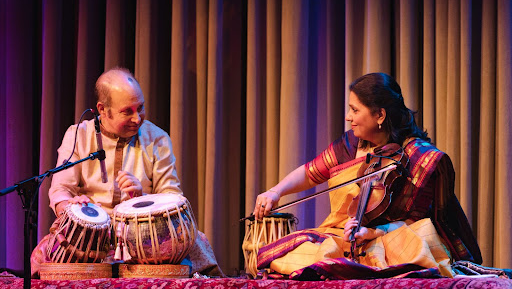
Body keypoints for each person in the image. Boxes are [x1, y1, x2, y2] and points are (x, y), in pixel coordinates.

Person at [252, 72, 482, 280]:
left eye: (355, 110)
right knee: (293, 250)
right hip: (343, 237)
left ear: (380, 115)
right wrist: (276, 191)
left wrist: (373, 232)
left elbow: (418, 222)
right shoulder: (351, 144)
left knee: (416, 244)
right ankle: (342, 265)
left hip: (389, 240)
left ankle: (348, 267)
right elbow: (312, 172)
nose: (348, 117)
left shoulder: (417, 157)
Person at [31, 68, 223, 277]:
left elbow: (173, 198)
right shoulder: (79, 135)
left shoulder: (157, 138)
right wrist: (73, 209)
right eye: (127, 111)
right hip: (91, 236)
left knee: (197, 242)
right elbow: (60, 190)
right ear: (102, 110)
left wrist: (142, 199)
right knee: (43, 255)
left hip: (145, 234)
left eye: (140, 108)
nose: (137, 118)